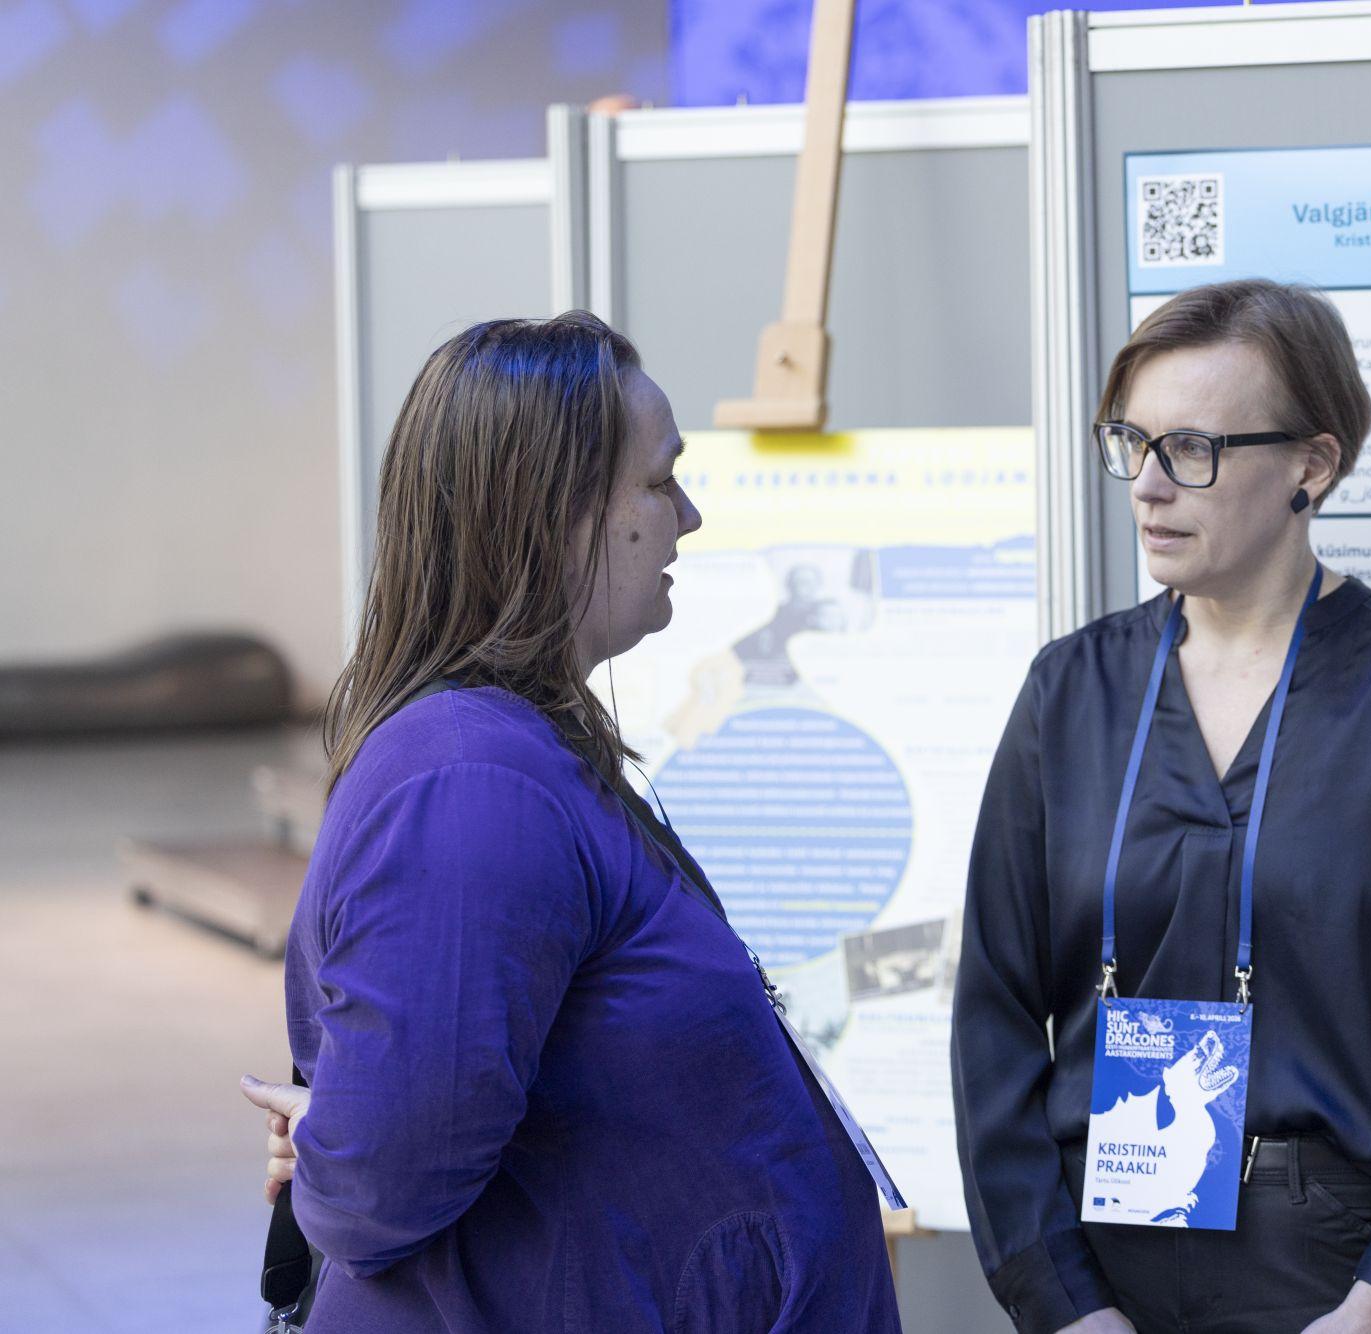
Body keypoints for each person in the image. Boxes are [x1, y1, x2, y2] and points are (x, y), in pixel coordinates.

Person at [238, 312, 900, 1332]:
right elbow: (380, 1185)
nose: (688, 516)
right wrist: (341, 1148)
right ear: (553, 512)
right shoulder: (471, 785)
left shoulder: (513, 750)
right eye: (660, 481)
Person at [951, 280, 1371, 1334]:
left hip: (1341, 1269)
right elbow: (993, 1018)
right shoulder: (1071, 691)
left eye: (1191, 448)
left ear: (1310, 466)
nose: (1148, 485)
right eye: (1131, 442)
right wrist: (1058, 1298)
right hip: (1103, 1260)